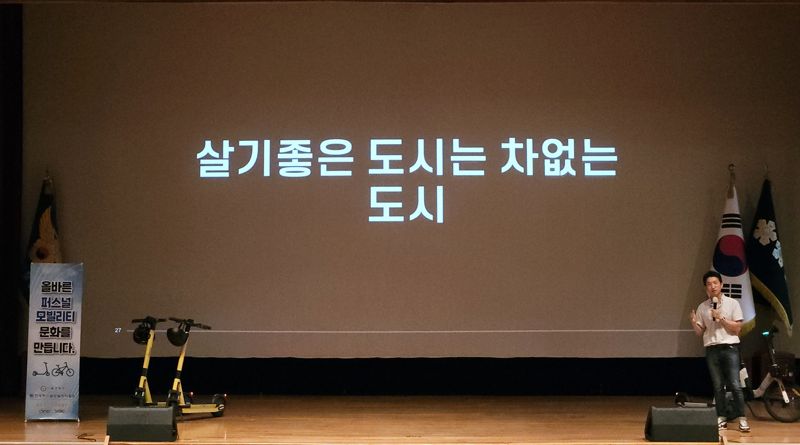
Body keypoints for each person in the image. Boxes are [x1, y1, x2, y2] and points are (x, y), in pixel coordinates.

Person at [689, 270, 750, 432]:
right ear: (706, 288)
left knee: (735, 385)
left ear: (721, 285)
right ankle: (721, 417)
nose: (713, 286)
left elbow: (737, 328)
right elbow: (699, 332)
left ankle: (742, 418)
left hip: (730, 348)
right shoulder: (702, 307)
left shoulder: (732, 303)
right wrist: (694, 322)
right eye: (709, 284)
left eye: (715, 283)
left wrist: (720, 318)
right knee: (717, 386)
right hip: (712, 349)